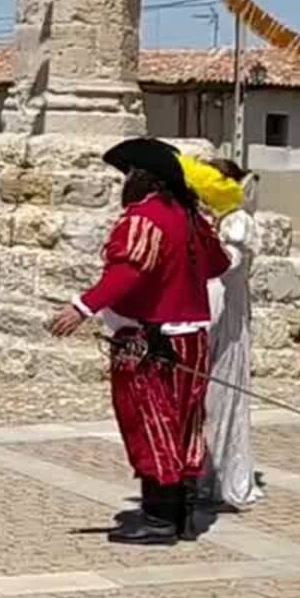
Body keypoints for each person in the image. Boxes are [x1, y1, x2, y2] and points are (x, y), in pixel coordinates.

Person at [46, 138, 230, 546]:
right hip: (193, 338)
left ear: (143, 177)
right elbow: (220, 264)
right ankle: (180, 513)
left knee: (150, 422)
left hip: (152, 340)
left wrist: (82, 306)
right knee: (185, 421)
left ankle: (158, 518)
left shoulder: (143, 218)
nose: (124, 183)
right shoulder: (190, 218)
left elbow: (129, 272)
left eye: (128, 174)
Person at [187, 155, 261, 512]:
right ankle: (202, 472)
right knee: (203, 399)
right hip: (209, 311)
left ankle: (226, 478)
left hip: (229, 314)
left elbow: (227, 265)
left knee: (223, 396)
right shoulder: (216, 220)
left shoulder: (238, 222)